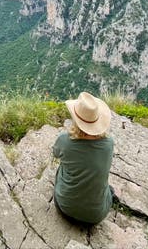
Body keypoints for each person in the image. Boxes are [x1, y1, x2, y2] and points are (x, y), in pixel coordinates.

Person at [52, 91, 114, 224]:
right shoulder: (109, 144)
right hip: (95, 217)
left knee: (62, 168)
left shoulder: (65, 141)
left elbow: (55, 153)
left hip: (65, 208)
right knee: (109, 189)